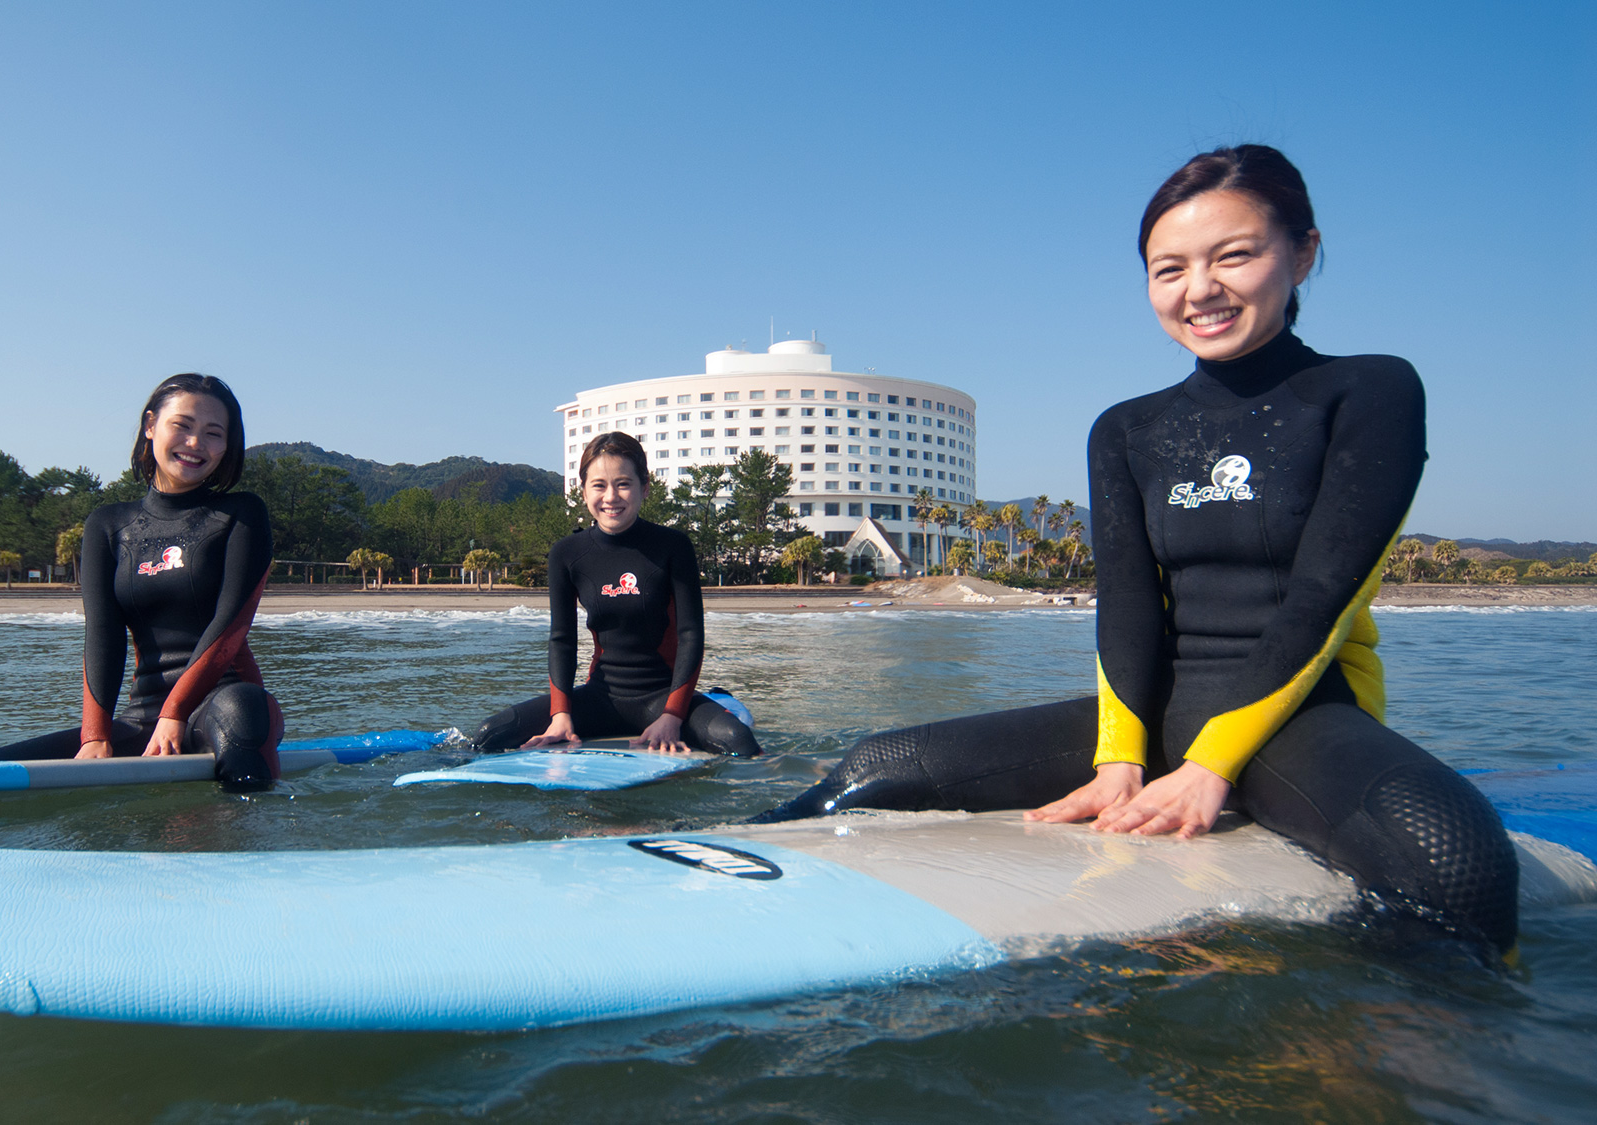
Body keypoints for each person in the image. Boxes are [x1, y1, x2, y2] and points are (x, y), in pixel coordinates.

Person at [754, 145, 1519, 954]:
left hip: (1303, 715)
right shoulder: (1128, 428)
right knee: (879, 762)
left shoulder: (1370, 391)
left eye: (1235, 256)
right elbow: (1124, 604)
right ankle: (728, 871)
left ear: (1302, 254)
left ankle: (1381, 1047)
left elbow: (1323, 593)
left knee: (1455, 858)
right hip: (1157, 717)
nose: (1200, 290)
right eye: (1169, 268)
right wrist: (1121, 760)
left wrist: (1210, 767)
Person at [0, 373, 283, 788]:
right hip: (144, 716)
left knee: (243, 711)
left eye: (214, 433)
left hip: (226, 705)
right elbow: (103, 635)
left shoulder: (241, 515)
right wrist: (96, 735)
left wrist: (175, 714)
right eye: (182, 425)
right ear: (150, 426)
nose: (195, 443)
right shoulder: (108, 525)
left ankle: (244, 833)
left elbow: (231, 625)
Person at [472, 431, 761, 758]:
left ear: (645, 488)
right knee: (489, 734)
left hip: (663, 698)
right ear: (583, 491)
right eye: (599, 485)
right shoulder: (567, 553)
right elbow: (562, 639)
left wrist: (672, 715)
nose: (611, 496)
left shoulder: (672, 546)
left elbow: (691, 635)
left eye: (623, 483)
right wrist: (561, 714)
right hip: (600, 699)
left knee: (739, 741)